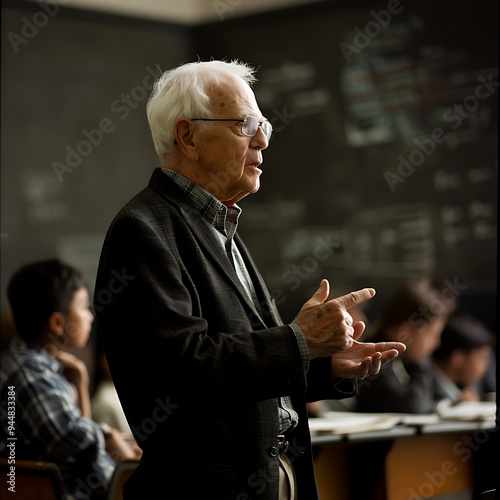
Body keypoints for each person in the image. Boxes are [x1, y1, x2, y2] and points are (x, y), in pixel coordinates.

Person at [94, 59, 405, 500]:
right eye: (245, 124)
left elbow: (240, 371)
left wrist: (320, 362)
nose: (262, 140)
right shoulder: (143, 229)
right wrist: (300, 341)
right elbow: (183, 370)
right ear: (188, 137)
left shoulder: (219, 225)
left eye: (263, 126)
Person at [0, 259, 141, 500]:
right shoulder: (30, 375)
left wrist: (80, 381)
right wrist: (108, 436)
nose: (91, 317)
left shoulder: (33, 367)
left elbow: (78, 439)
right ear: (57, 323)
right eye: (85, 307)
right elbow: (76, 441)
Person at [354, 278, 451, 414]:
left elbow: (445, 397)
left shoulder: (407, 360)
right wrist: (420, 364)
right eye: (432, 334)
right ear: (406, 331)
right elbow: (411, 407)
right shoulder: (373, 359)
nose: (436, 343)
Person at [432, 311, 494, 404]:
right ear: (458, 358)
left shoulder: (466, 387)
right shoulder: (426, 387)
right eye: (482, 359)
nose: (485, 367)